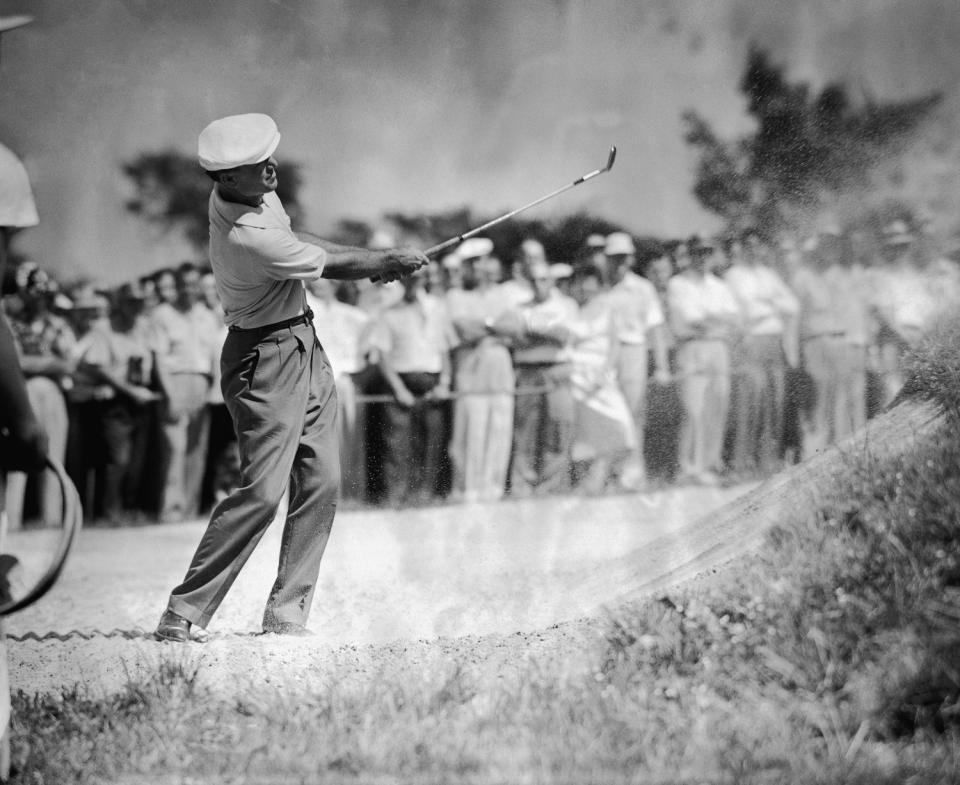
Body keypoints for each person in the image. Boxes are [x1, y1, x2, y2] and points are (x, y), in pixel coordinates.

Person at [154, 113, 427, 642]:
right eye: (257, 164)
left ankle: (286, 614)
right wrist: (382, 259)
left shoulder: (255, 198)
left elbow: (302, 238)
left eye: (269, 155)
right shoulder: (247, 235)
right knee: (263, 492)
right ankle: (183, 610)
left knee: (322, 480)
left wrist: (374, 262)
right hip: (263, 358)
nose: (271, 167)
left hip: (302, 341)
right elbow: (322, 262)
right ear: (226, 178)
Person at [368, 267, 454, 506]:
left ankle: (425, 494)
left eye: (419, 278)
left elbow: (445, 349)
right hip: (401, 381)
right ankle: (397, 495)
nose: (414, 283)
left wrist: (445, 382)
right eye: (409, 279)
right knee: (397, 443)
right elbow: (382, 356)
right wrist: (398, 389)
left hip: (431, 380)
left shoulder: (437, 308)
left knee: (431, 442)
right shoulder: (389, 313)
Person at [721, 229, 799, 476]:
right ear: (742, 248)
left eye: (758, 245)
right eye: (749, 246)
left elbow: (793, 305)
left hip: (774, 341)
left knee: (774, 402)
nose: (754, 250)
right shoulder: (734, 275)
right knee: (750, 401)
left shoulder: (769, 274)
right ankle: (743, 462)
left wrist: (765, 303)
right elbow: (745, 310)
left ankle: (768, 462)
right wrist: (771, 305)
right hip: (750, 341)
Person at [498, 259, 579, 496]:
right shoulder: (519, 307)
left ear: (552, 281)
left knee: (557, 428)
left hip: (557, 368)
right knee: (525, 430)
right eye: (532, 280)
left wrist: (533, 331)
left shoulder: (566, 305)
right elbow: (514, 337)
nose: (537, 285)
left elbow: (564, 336)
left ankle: (550, 486)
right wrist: (543, 333)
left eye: (542, 279)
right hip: (528, 370)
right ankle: (523, 485)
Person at [667, 236, 741, 485]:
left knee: (716, 405)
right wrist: (714, 319)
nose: (703, 258)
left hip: (718, 348)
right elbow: (688, 319)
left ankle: (710, 465)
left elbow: (733, 318)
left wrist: (709, 319)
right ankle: (688, 468)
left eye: (708, 252)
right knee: (692, 408)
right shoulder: (678, 284)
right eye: (698, 252)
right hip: (692, 347)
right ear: (689, 254)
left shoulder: (719, 286)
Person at [445, 237, 515, 502]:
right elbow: (463, 329)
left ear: (488, 263)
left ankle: (493, 489)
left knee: (500, 430)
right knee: (470, 435)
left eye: (478, 261)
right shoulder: (456, 296)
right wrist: (494, 326)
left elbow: (514, 329)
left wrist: (483, 327)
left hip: (499, 373)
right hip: (471, 375)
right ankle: (468, 490)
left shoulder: (504, 293)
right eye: (469, 263)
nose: (474, 268)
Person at [604, 232, 670, 489]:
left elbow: (655, 330)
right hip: (603, 356)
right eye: (614, 258)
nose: (619, 263)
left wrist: (662, 366)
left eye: (624, 258)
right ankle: (609, 474)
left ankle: (631, 474)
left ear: (630, 259)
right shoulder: (600, 287)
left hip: (632, 352)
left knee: (632, 413)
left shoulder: (642, 288)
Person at [304, 277, 371, 501]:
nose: (316, 285)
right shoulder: (308, 311)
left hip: (344, 381)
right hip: (315, 382)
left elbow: (367, 344)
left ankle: (349, 494)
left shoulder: (354, 316)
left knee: (349, 437)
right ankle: (323, 494)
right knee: (320, 440)